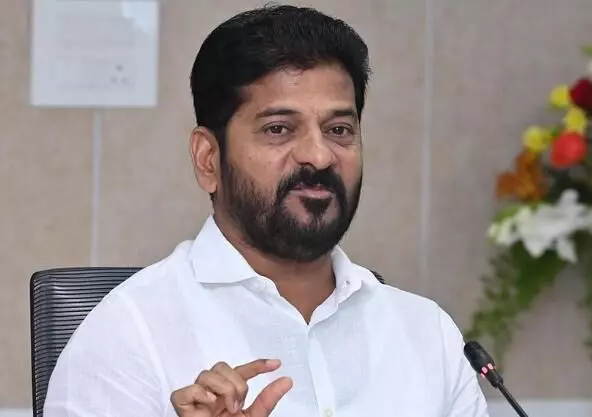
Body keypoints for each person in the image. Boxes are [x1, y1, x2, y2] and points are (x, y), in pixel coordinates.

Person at [44, 5, 489, 417]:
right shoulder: (126, 338)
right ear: (208, 160)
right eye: (279, 129)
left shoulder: (427, 334)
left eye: (339, 129)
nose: (319, 155)